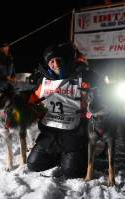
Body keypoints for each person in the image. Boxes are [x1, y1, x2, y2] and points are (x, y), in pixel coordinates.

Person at [27, 42, 103, 178]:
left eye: (58, 59)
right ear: (47, 64)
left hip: (75, 133)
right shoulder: (44, 81)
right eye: (51, 61)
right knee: (34, 164)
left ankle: (77, 154)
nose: (55, 63)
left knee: (72, 172)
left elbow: (100, 101)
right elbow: (32, 103)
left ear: (65, 59)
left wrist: (89, 114)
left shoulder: (84, 76)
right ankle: (62, 155)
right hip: (50, 134)